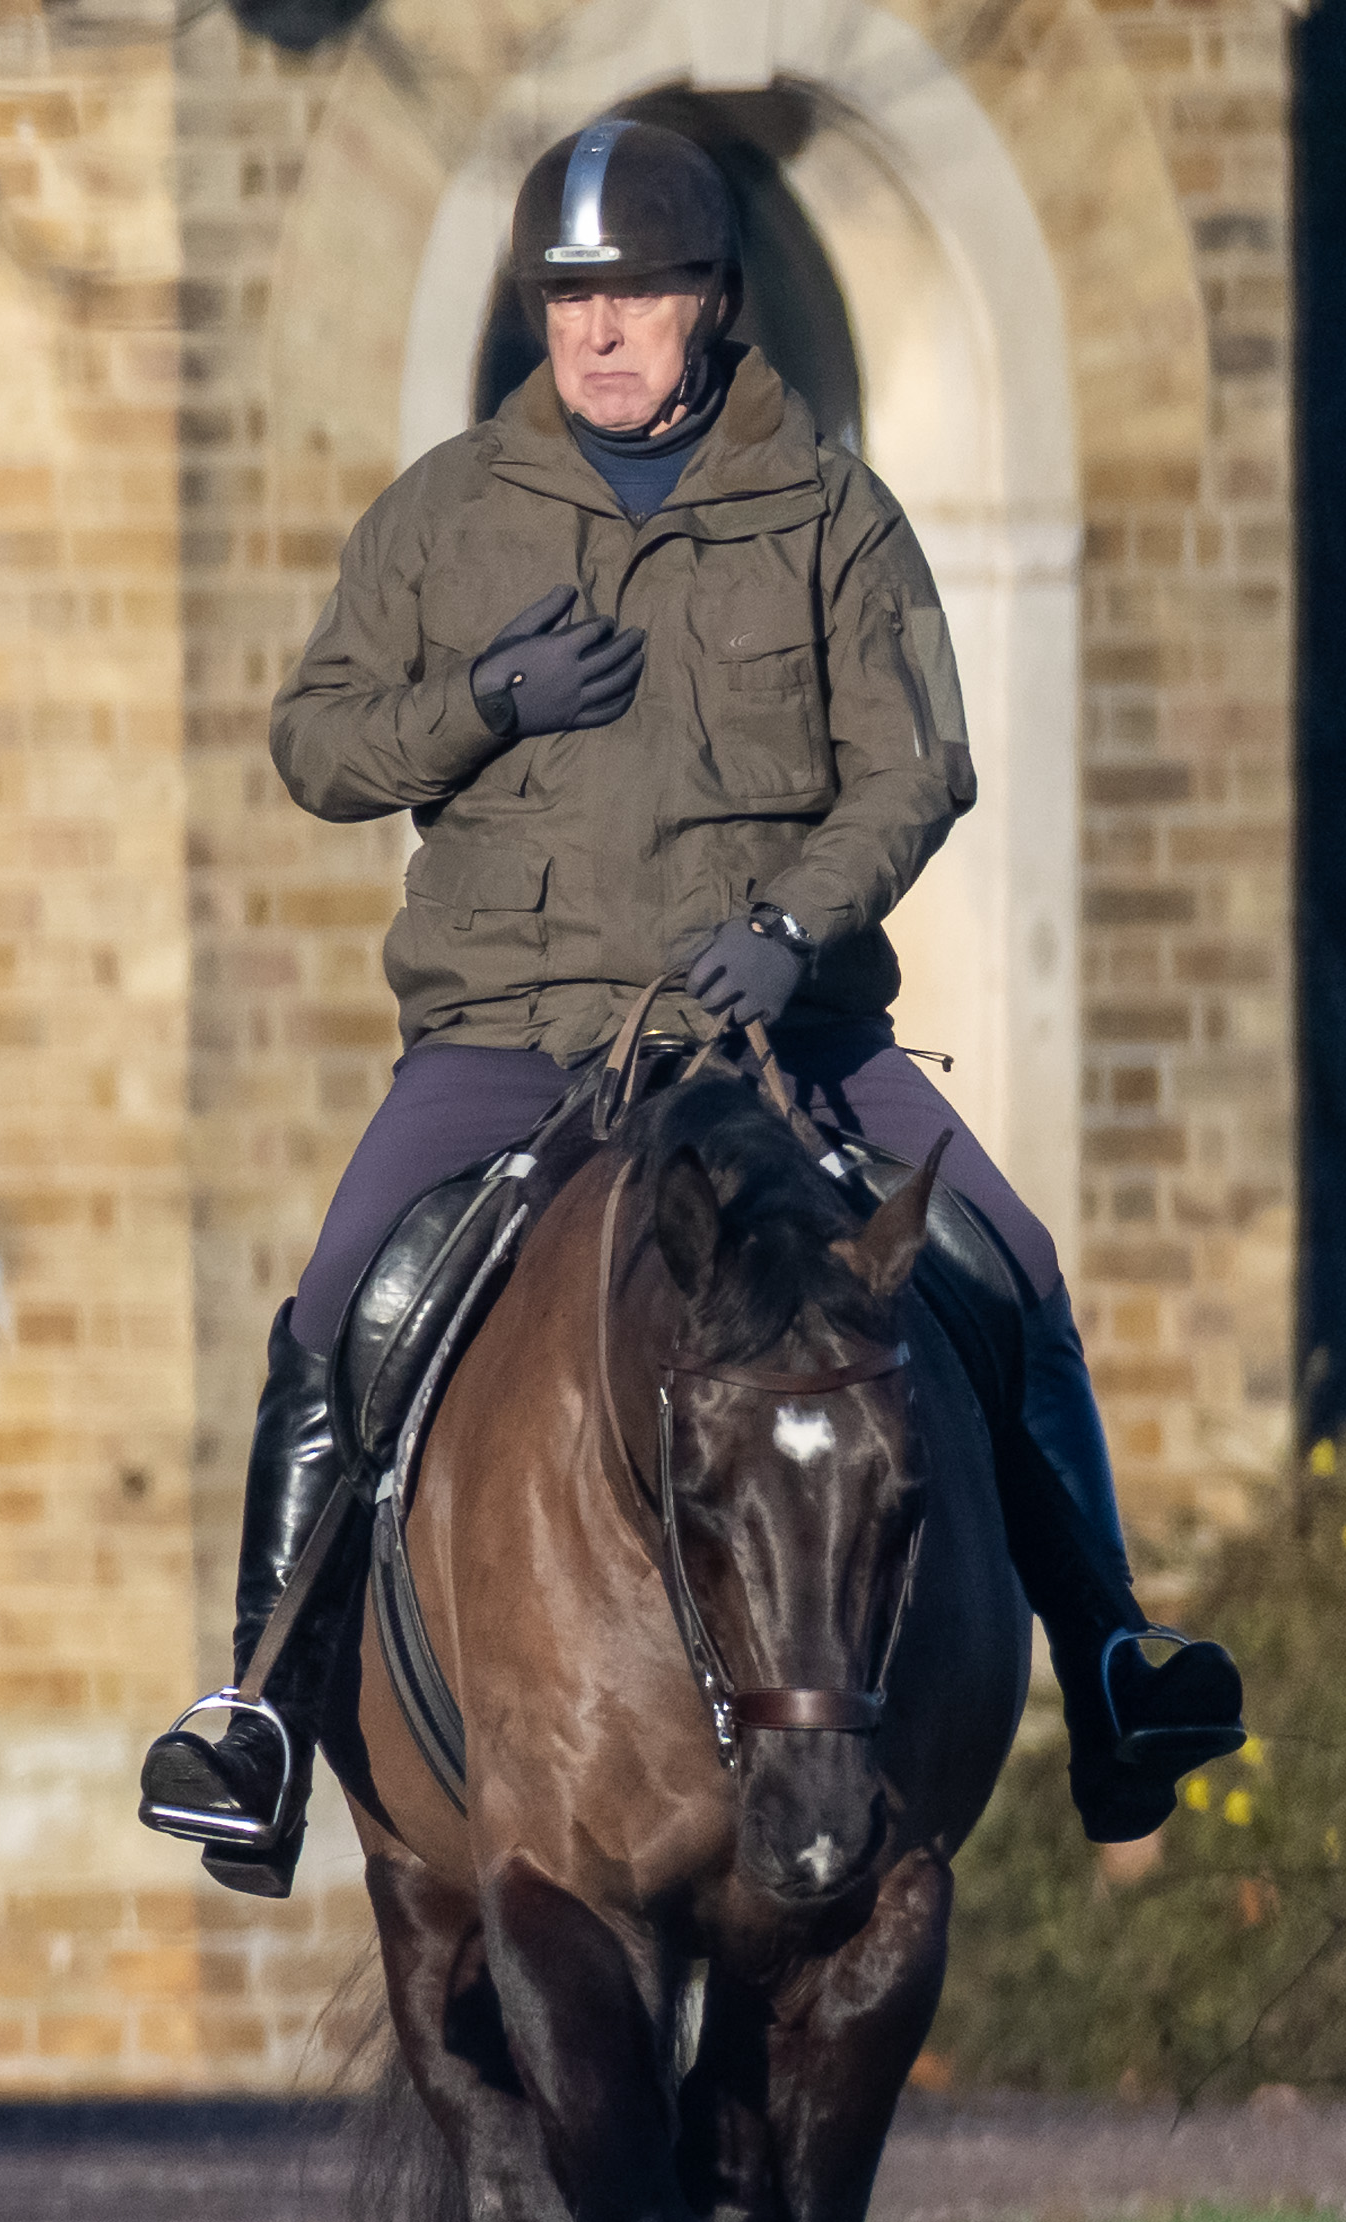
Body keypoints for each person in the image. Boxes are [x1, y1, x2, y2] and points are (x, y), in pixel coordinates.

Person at [139, 116, 1242, 1896]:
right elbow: (317, 747)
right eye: (568, 297)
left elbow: (916, 767)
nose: (597, 330)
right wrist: (481, 698)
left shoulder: (829, 513)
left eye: (636, 294)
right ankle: (254, 1718)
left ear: (713, 303)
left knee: (1010, 1266)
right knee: (341, 1300)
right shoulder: (443, 515)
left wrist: (796, 929)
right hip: (509, 1029)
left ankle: (1117, 1668)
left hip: (778, 1036)